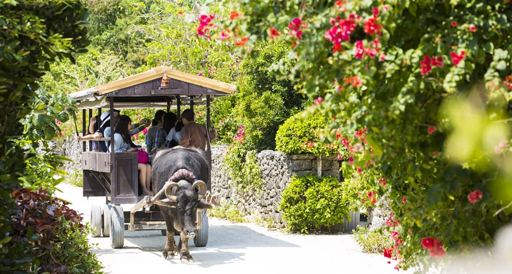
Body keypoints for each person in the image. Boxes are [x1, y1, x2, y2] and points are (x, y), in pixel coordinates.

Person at [113, 115, 153, 196]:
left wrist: (138, 148)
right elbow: (114, 151)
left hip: (129, 159)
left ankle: (148, 189)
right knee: (143, 166)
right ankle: (144, 189)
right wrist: (128, 151)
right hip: (121, 162)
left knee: (148, 166)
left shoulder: (124, 134)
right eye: (129, 124)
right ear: (125, 125)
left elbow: (131, 144)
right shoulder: (117, 136)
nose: (130, 126)